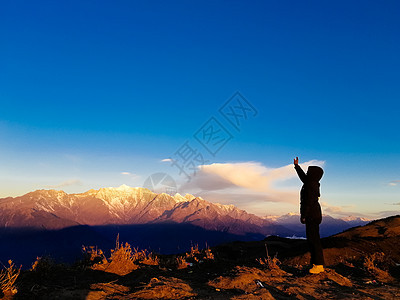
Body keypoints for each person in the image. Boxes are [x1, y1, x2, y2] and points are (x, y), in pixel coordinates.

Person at [294, 157, 325, 274]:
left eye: (308, 172)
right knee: (312, 239)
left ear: (313, 174)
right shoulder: (311, 182)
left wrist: (304, 215)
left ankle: (318, 265)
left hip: (311, 215)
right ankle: (315, 264)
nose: (307, 173)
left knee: (314, 240)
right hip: (314, 215)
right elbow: (303, 177)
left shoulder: (310, 185)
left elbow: (309, 202)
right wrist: (297, 166)